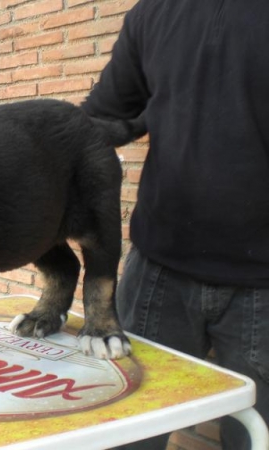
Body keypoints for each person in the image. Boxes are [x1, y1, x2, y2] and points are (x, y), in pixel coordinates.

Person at [81, 0, 269, 449]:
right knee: (126, 431)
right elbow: (103, 117)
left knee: (257, 435)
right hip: (159, 273)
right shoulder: (155, 12)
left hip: (263, 285)